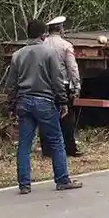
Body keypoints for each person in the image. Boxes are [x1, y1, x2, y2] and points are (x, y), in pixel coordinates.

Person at [8, 19, 82, 195]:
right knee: (56, 141)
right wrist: (63, 101)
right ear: (43, 35)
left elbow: (11, 84)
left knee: (24, 144)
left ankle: (24, 184)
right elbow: (57, 80)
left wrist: (11, 106)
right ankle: (62, 180)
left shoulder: (17, 55)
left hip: (24, 102)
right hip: (44, 102)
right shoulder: (49, 53)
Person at [40, 15, 81, 159]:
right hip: (62, 86)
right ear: (60, 29)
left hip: (45, 86)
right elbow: (72, 68)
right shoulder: (65, 45)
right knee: (67, 117)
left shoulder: (42, 45)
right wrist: (76, 85)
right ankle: (70, 148)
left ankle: (47, 150)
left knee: (46, 117)